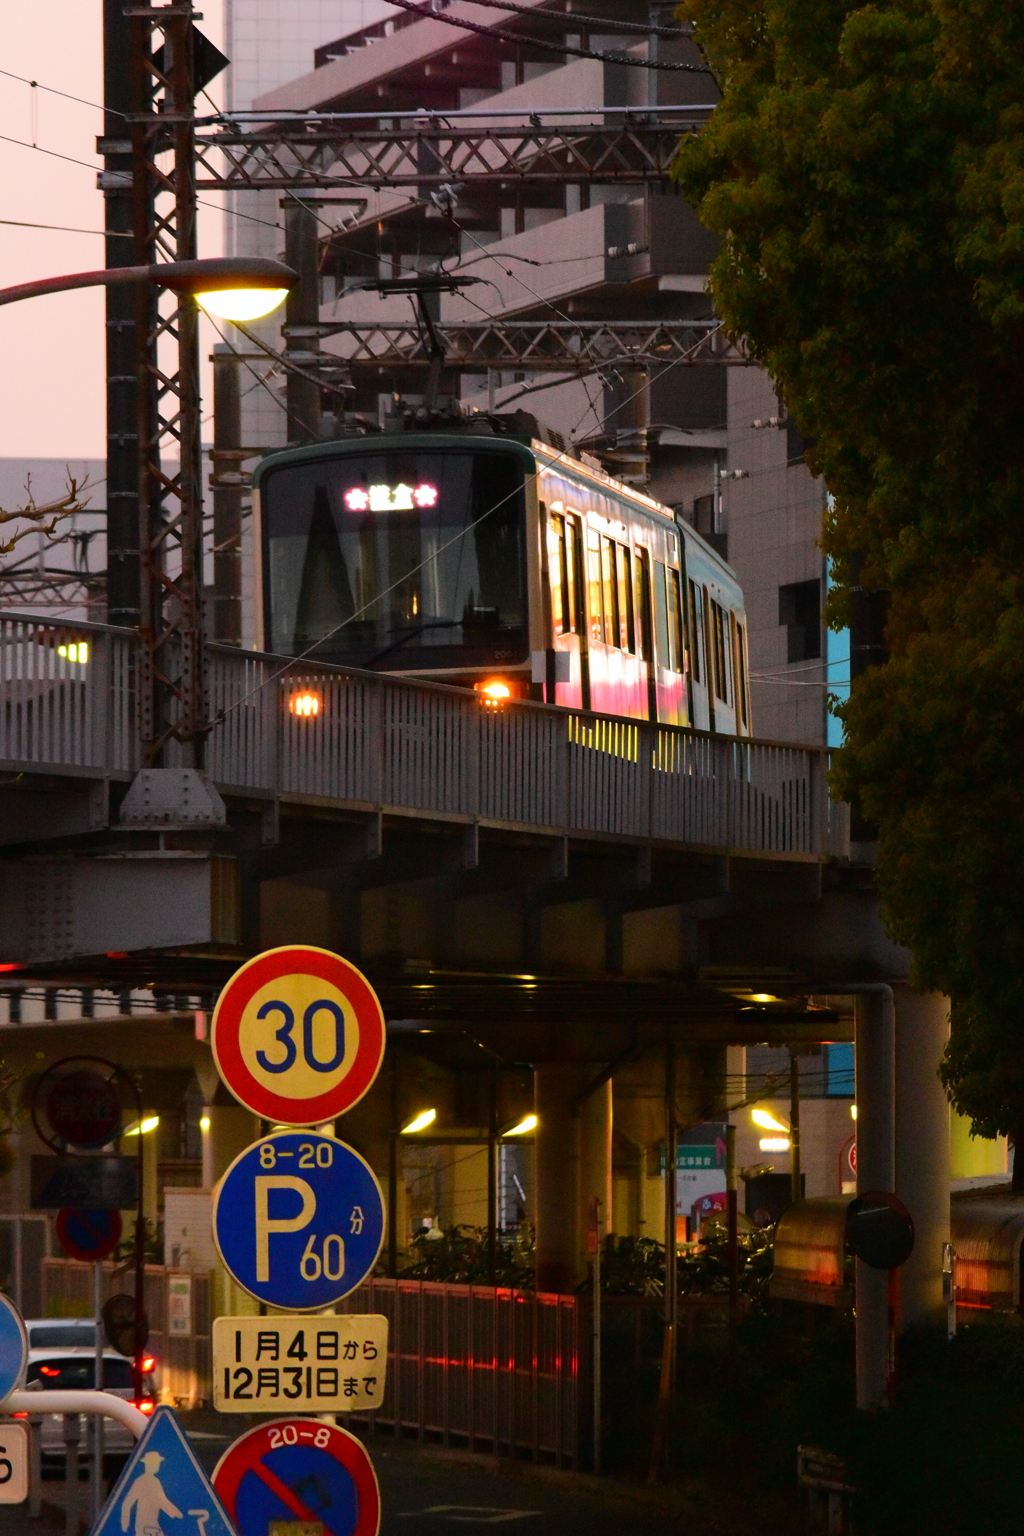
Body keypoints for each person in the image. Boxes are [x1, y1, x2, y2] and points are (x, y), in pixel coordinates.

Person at [120, 1451, 183, 1536]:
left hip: (147, 1526)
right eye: (156, 1462)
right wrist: (124, 1524)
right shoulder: (147, 1482)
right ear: (150, 1464)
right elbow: (163, 1501)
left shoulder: (147, 1481)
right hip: (148, 1527)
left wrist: (176, 1512)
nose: (158, 1465)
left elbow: (161, 1501)